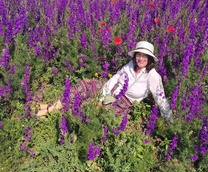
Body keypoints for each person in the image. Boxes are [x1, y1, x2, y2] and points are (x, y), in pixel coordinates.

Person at [35, 41, 173, 122]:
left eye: (145, 56)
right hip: (109, 90)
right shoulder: (131, 64)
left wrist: (169, 121)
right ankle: (51, 109)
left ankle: (49, 111)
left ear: (149, 59)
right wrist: (102, 97)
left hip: (122, 102)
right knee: (84, 86)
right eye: (139, 55)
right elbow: (114, 79)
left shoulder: (153, 76)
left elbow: (161, 99)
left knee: (87, 107)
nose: (141, 58)